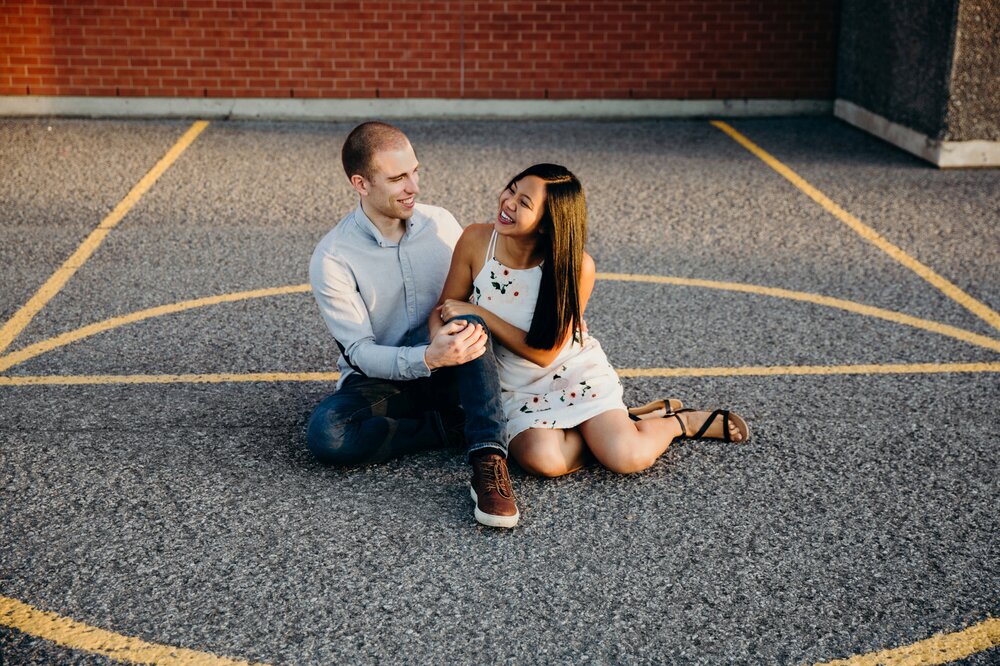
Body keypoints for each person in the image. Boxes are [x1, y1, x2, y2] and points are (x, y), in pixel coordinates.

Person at [435, 164, 749, 478]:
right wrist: (442, 353)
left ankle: (678, 423)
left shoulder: (576, 266)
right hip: (508, 384)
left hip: (568, 373)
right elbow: (444, 310)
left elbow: (545, 354)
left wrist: (482, 315)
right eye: (512, 189)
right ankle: (622, 424)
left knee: (627, 457)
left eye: (524, 203)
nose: (508, 202)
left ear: (548, 223)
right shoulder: (477, 239)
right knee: (543, 462)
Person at [306, 121, 519, 528]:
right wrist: (426, 357)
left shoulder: (441, 223)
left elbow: (480, 295)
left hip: (456, 362)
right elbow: (360, 352)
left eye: (415, 171)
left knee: (469, 323)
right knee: (327, 434)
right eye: (398, 178)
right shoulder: (333, 257)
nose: (414, 187)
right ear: (361, 184)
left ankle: (488, 459)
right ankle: (451, 425)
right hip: (381, 380)